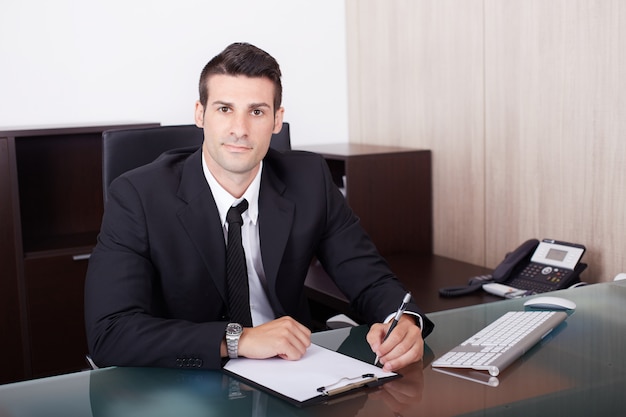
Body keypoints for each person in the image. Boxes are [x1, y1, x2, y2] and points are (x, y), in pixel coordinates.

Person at [84, 42, 434, 373]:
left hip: (292, 370)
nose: (240, 129)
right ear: (200, 114)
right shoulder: (137, 196)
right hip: (189, 377)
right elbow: (110, 332)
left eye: (256, 111)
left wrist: (400, 319)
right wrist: (239, 339)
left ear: (277, 120)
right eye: (224, 109)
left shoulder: (309, 180)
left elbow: (368, 277)